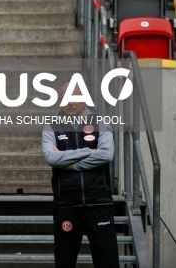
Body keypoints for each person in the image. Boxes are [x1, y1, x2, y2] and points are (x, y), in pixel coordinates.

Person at [41, 83, 118, 268]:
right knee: (65, 263)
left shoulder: (100, 122)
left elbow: (106, 155)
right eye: (65, 98)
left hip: (99, 203)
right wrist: (89, 151)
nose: (70, 103)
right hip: (67, 205)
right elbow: (51, 157)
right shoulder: (51, 126)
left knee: (107, 262)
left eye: (74, 97)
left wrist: (69, 164)